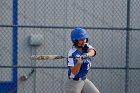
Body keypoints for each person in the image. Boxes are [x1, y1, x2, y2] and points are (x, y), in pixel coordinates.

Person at [64, 28, 100, 93]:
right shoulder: (72, 53)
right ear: (75, 41)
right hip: (73, 83)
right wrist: (79, 63)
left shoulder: (85, 46)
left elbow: (93, 52)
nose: (84, 41)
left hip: (83, 80)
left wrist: (87, 54)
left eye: (84, 38)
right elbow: (74, 72)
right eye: (81, 39)